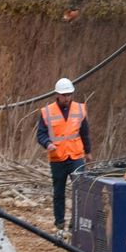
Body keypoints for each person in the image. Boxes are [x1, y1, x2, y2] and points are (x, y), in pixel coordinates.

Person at [36, 77, 92, 233]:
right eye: (64, 95)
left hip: (76, 156)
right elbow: (40, 134)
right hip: (57, 158)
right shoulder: (47, 112)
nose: (67, 98)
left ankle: (76, 222)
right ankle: (60, 223)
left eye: (69, 94)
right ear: (57, 95)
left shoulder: (79, 109)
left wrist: (88, 152)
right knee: (59, 192)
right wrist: (48, 143)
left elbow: (84, 132)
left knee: (80, 191)